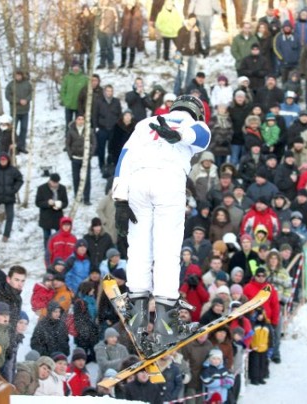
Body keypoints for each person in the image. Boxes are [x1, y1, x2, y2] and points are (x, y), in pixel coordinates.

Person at [113, 95, 211, 352]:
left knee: (139, 249)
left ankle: (136, 320)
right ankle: (167, 326)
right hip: (168, 181)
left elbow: (124, 157)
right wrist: (179, 136)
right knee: (166, 251)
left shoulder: (145, 123)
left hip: (137, 183)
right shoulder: (194, 123)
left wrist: (119, 198)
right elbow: (200, 136)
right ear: (197, 111)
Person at [66, 115, 96, 205]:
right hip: (75, 158)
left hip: (85, 159)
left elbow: (94, 143)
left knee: (87, 179)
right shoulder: (71, 131)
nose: (81, 121)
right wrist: (70, 155)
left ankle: (87, 198)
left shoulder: (89, 131)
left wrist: (90, 154)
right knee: (76, 179)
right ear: (76, 120)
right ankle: (77, 197)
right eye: (79, 119)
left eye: (82, 119)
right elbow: (67, 144)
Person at [35, 174, 69, 253]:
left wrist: (60, 205)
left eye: (57, 183)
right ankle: (48, 252)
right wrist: (47, 203)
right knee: (47, 236)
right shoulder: (41, 188)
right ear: (50, 180)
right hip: (46, 216)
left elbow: (66, 203)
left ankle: (59, 251)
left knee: (60, 236)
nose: (55, 184)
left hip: (58, 216)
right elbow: (38, 203)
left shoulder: (62, 188)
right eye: (54, 182)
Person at [4, 70, 33, 154]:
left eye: (19, 75)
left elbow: (31, 94)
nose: (18, 77)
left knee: (23, 129)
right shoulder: (11, 85)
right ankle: (13, 147)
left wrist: (26, 100)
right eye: (16, 75)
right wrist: (18, 101)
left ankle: (21, 146)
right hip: (15, 111)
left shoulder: (27, 84)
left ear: (22, 75)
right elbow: (7, 96)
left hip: (25, 111)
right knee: (13, 130)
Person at [60, 61, 88, 128]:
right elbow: (63, 90)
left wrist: (84, 103)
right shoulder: (67, 77)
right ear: (72, 67)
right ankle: (68, 137)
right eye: (74, 66)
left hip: (79, 106)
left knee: (79, 124)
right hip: (69, 104)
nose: (76, 68)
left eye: (77, 66)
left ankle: (77, 138)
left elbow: (87, 91)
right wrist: (65, 100)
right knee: (68, 123)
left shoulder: (84, 78)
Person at [119, 0, 145, 69]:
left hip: (133, 33)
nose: (129, 6)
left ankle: (131, 63)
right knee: (123, 48)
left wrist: (137, 29)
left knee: (132, 48)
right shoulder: (125, 11)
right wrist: (121, 28)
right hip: (126, 32)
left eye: (130, 4)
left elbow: (141, 21)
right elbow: (122, 21)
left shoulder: (137, 11)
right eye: (128, 4)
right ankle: (122, 63)